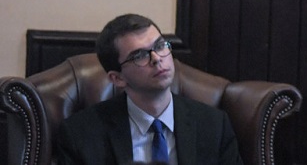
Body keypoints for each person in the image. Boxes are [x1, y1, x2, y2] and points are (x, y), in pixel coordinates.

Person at [54, 13, 242, 165]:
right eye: (139, 56)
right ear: (117, 78)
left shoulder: (214, 126)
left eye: (160, 46)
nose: (157, 58)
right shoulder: (81, 134)